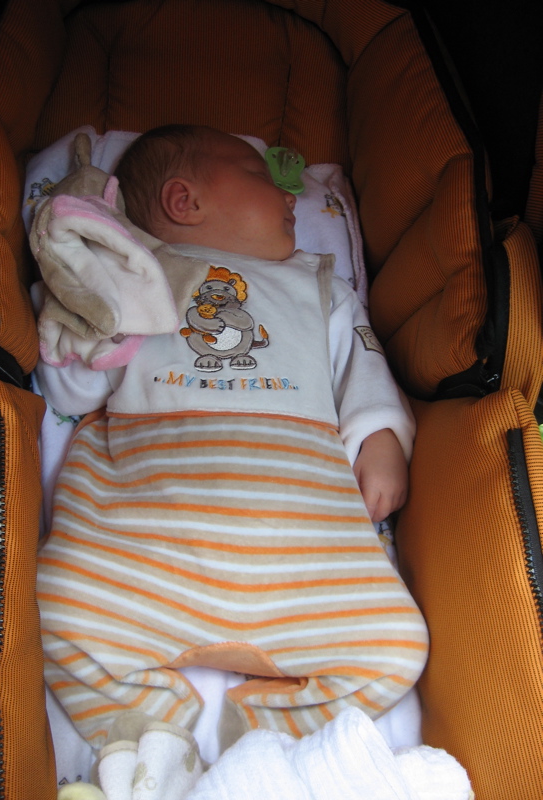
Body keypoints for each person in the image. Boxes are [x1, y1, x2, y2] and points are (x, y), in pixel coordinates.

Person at [35, 125, 428, 759]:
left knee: (396, 647)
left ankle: (259, 737)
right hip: (148, 547)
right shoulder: (136, 278)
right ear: (184, 200)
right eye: (260, 177)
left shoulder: (318, 285)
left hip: (300, 556)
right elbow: (70, 392)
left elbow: (362, 364)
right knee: (56, 612)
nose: (290, 194)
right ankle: (154, 734)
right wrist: (94, 317)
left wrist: (380, 434)